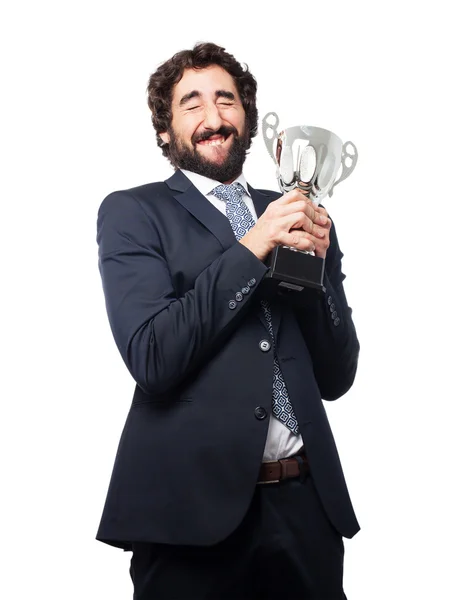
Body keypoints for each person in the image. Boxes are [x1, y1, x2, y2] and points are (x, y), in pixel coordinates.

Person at [95, 41, 360, 600]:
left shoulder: (292, 207)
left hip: (307, 509)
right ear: (165, 131)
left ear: (249, 117)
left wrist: (320, 268)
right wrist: (255, 243)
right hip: (189, 520)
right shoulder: (133, 212)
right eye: (191, 104)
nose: (214, 118)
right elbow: (153, 356)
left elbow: (336, 376)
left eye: (227, 100)